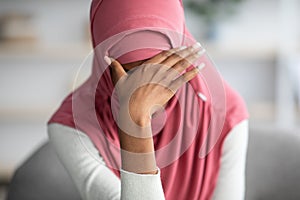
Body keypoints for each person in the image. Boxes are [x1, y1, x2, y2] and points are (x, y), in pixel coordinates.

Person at [47, 0, 249, 199]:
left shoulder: (224, 114)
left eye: (162, 72)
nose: (146, 91)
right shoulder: (72, 127)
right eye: (130, 74)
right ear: (103, 62)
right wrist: (135, 124)